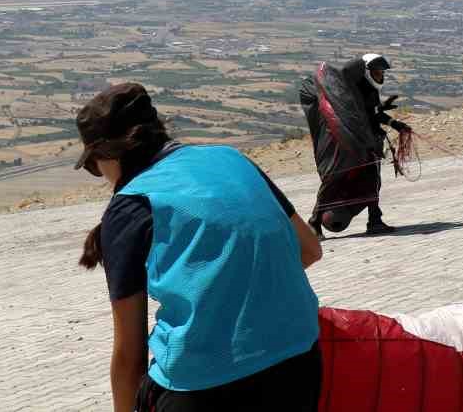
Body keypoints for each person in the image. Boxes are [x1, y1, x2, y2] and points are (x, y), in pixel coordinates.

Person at [75, 83, 323, 412]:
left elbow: (129, 354)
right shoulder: (232, 158)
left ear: (108, 154)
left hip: (203, 385)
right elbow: (309, 249)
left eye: (94, 165)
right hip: (299, 364)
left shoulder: (131, 206)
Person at [304, 53, 408, 238]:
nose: (379, 76)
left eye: (381, 73)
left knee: (372, 179)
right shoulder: (344, 90)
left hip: (367, 143)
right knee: (333, 180)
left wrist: (397, 125)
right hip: (344, 146)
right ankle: (314, 224)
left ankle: (375, 220)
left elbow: (373, 114)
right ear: (365, 71)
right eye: (376, 72)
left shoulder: (369, 90)